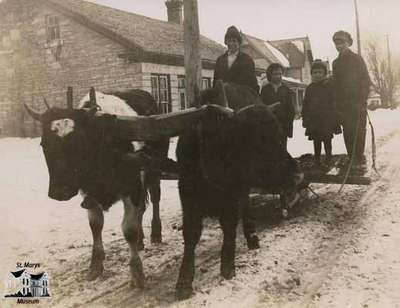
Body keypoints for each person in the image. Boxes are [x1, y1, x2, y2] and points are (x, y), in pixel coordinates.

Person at [332, 30, 371, 164]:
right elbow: (336, 84)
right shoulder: (335, 63)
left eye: (341, 42)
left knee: (359, 129)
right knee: (347, 130)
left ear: (348, 43)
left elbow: (365, 80)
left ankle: (359, 156)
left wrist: (362, 99)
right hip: (344, 104)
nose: (339, 46)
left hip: (357, 102)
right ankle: (351, 155)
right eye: (336, 43)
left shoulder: (356, 59)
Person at [302, 60, 341, 165]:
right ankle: (317, 158)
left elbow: (334, 102)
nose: (317, 75)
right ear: (312, 74)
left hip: (326, 119)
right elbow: (305, 104)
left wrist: (335, 117)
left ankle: (328, 157)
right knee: (316, 140)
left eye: (320, 72)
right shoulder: (310, 88)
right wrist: (305, 118)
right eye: (315, 72)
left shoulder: (328, 87)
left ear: (324, 74)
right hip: (314, 120)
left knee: (327, 139)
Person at [213, 26, 259, 93]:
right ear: (226, 42)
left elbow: (252, 83)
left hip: (241, 98)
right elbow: (215, 82)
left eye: (234, 41)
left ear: (239, 43)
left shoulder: (247, 60)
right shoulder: (220, 60)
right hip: (223, 99)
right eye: (229, 41)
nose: (231, 43)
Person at [260, 63, 295, 150]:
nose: (278, 76)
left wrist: (288, 125)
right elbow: (261, 106)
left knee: (282, 148)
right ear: (270, 75)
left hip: (283, 124)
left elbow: (290, 109)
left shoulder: (286, 89)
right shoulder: (265, 89)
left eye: (280, 74)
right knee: (270, 147)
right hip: (269, 123)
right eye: (275, 74)